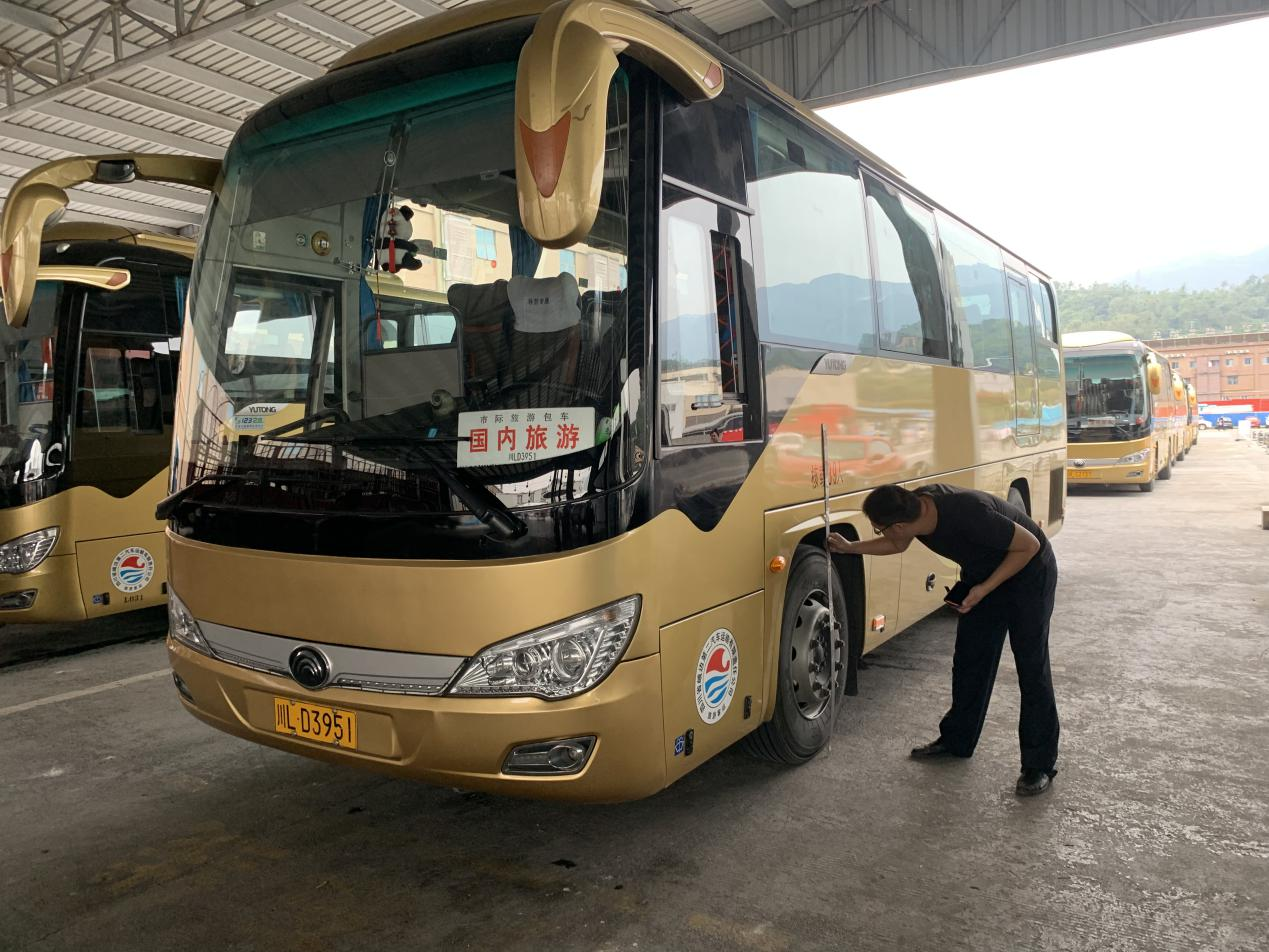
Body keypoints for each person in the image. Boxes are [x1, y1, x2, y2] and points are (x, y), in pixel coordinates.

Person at [828, 483, 1060, 796]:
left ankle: (1038, 764)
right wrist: (849, 547)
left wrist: (983, 589)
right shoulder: (913, 508)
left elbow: (1029, 545)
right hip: (984, 574)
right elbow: (896, 544)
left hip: (1029, 572)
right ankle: (957, 741)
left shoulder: (968, 512)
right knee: (969, 660)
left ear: (899, 525)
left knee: (1031, 666)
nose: (881, 533)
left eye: (879, 528)